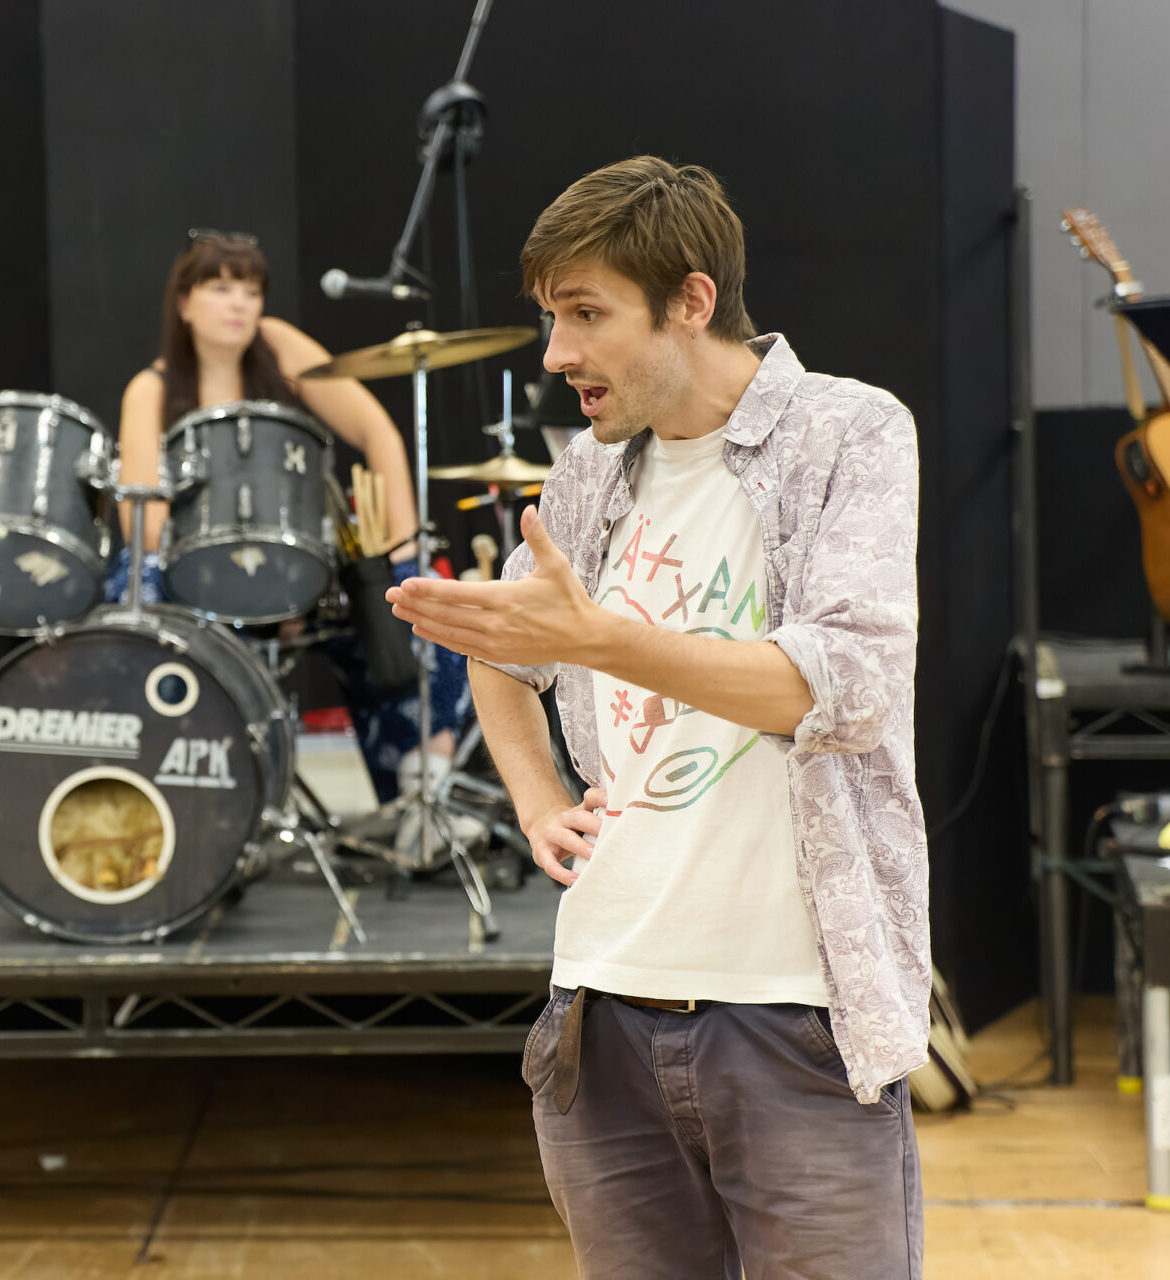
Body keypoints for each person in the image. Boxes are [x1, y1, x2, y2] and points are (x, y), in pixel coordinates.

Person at [388, 157, 928, 1277]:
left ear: (690, 299)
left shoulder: (849, 431)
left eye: (587, 314)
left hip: (795, 1016)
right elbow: (506, 657)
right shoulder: (586, 473)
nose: (557, 354)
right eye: (550, 317)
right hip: (601, 1014)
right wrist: (536, 794)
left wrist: (596, 640)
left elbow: (840, 690)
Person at [114, 229, 472, 830]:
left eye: (252, 291)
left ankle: (422, 792)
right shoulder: (151, 389)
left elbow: (377, 431)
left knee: (418, 601)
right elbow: (140, 523)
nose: (240, 304)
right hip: (191, 577)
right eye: (222, 288)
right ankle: (175, 803)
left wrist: (402, 541)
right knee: (135, 594)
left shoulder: (277, 347)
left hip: (301, 562)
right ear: (184, 303)